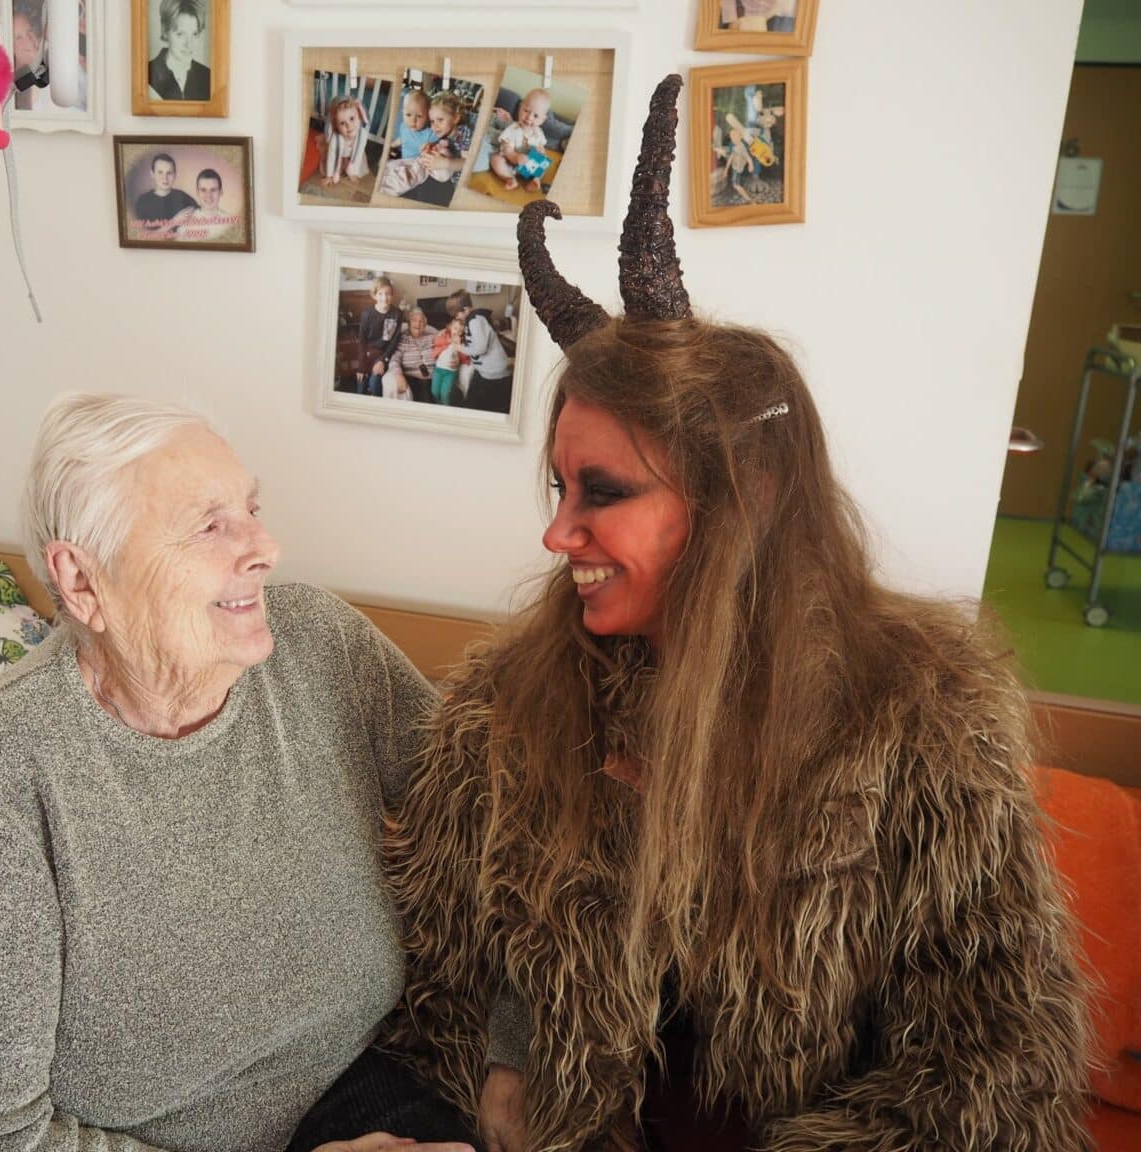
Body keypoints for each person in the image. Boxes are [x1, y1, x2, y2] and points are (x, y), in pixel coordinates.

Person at [381, 75, 1093, 1152]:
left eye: (604, 493)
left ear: (744, 500)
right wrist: (492, 1069)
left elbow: (998, 1065)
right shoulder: (503, 705)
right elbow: (433, 979)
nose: (558, 535)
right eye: (560, 489)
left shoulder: (923, 716)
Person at [0, 393, 478, 1152]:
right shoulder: (14, 761)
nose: (266, 547)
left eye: (251, 508)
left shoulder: (321, 645)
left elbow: (499, 835)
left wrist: (511, 1050)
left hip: (339, 1080)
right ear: (83, 581)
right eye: (208, 525)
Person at [445, 290, 510, 414]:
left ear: (465, 310)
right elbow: (473, 342)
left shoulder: (475, 321)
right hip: (485, 371)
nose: (457, 318)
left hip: (494, 373)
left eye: (457, 315)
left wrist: (460, 348)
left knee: (481, 406)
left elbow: (480, 348)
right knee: (472, 398)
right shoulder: (473, 320)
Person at [147, 0, 211, 102]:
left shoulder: (207, 76)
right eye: (180, 34)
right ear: (165, 31)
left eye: (194, 34)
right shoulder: (147, 74)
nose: (189, 44)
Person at [489, 88, 551, 191]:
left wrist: (541, 151)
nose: (529, 117)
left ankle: (535, 180)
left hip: (530, 166)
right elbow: (507, 150)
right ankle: (510, 179)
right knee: (496, 160)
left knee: (544, 163)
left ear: (542, 120)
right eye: (526, 111)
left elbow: (541, 146)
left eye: (536, 116)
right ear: (520, 108)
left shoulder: (539, 133)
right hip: (511, 165)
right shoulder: (512, 129)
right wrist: (515, 157)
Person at [132, 153, 198, 239]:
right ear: (152, 174)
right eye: (160, 172)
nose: (165, 178)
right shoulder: (143, 201)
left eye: (169, 173)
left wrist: (193, 212)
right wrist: (174, 221)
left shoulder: (182, 196)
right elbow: (145, 237)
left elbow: (201, 213)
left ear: (174, 175)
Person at [357, 278, 403, 398]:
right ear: (374, 295)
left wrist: (382, 360)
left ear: (392, 295)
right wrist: (361, 367)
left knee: (374, 383)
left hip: (385, 354)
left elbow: (394, 341)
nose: (384, 297)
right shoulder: (367, 314)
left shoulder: (397, 313)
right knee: (360, 386)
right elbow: (362, 341)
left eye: (388, 293)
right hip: (368, 354)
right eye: (380, 294)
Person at [382, 308, 437, 404]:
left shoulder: (432, 338)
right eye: (414, 320)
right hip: (412, 378)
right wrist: (398, 374)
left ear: (425, 325)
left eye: (421, 321)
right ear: (409, 324)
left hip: (433, 378)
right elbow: (394, 359)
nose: (418, 324)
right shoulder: (404, 340)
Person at [322, 94, 372, 187]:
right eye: (342, 123)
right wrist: (329, 176)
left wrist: (353, 171)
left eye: (352, 119)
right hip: (339, 154)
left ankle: (351, 168)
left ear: (360, 116)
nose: (349, 126)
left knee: (358, 163)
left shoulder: (362, 135)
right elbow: (332, 157)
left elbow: (359, 152)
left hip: (353, 154)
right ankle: (340, 166)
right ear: (336, 126)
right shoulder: (335, 139)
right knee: (331, 163)